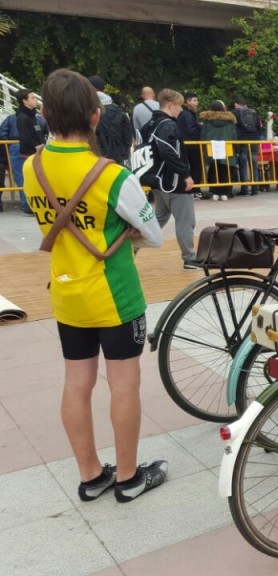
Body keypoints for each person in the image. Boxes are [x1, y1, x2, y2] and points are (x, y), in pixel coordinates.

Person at [23, 69, 166, 503]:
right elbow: (155, 233)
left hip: (66, 293)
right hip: (115, 293)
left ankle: (90, 475)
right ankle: (128, 477)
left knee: (76, 383)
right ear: (95, 117)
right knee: (123, 383)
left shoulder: (32, 167)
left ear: (45, 115)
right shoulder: (111, 175)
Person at [134, 89, 199, 269]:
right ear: (170, 105)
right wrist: (185, 174)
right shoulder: (168, 125)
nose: (181, 111)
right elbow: (168, 150)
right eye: (179, 106)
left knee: (159, 218)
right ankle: (190, 257)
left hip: (157, 180)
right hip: (173, 180)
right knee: (185, 220)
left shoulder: (149, 124)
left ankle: (132, 246)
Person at [88, 75, 132, 166]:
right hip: (116, 161)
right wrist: (123, 155)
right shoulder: (120, 111)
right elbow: (127, 138)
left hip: (93, 161)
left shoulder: (85, 111)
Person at [199, 100, 238, 201]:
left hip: (211, 149)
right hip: (227, 148)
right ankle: (225, 192)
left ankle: (215, 191)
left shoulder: (207, 121)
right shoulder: (230, 121)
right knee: (226, 169)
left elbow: (203, 136)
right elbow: (234, 137)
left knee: (213, 169)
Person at [16, 88, 47, 214]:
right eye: (32, 98)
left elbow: (39, 132)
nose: (35, 100)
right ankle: (30, 206)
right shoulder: (23, 118)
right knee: (33, 181)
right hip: (30, 154)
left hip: (38, 152)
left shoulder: (33, 116)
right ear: (24, 101)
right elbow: (26, 137)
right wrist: (38, 146)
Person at [232, 97, 261, 197]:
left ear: (236, 104)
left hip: (242, 141)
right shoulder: (253, 112)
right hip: (254, 140)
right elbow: (259, 126)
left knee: (243, 165)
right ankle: (255, 189)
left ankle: (244, 189)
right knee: (254, 164)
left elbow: (234, 128)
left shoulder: (234, 113)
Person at [175, 92, 203, 199]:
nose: (197, 103)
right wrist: (200, 133)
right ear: (187, 101)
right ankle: (195, 190)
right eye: (194, 100)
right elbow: (191, 130)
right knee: (196, 168)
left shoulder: (184, 114)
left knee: (191, 168)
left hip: (187, 144)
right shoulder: (188, 115)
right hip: (192, 145)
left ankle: (192, 189)